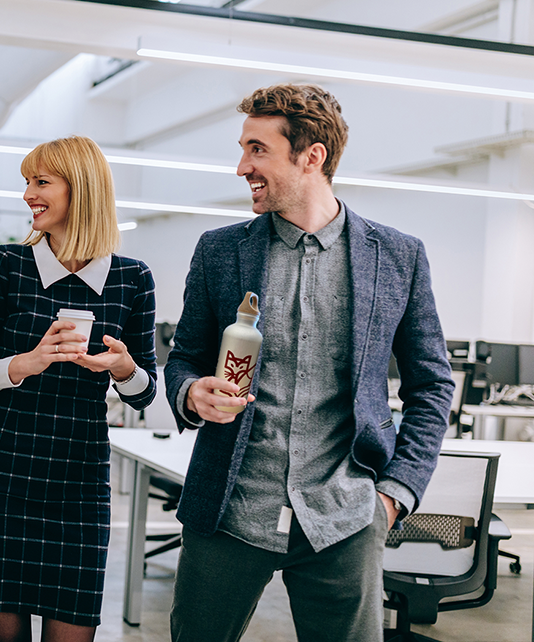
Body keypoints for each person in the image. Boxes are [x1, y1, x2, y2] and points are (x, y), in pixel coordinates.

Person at [164, 83, 455, 642]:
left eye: (257, 149)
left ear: (311, 156)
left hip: (345, 516)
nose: (242, 165)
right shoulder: (220, 251)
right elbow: (186, 359)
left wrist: (395, 493)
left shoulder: (397, 256)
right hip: (230, 508)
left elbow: (432, 384)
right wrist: (190, 392)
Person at [0, 135, 158, 642]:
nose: (28, 194)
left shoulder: (132, 280)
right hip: (2, 469)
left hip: (80, 475)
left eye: (41, 182)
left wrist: (124, 367)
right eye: (27, 181)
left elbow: (144, 393)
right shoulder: (6, 266)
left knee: (73, 628)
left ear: (81, 189)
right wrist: (25, 363)